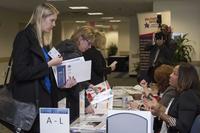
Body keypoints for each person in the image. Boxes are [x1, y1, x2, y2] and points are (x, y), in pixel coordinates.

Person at [10, 3, 76, 132]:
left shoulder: (42, 42)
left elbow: (46, 75)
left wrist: (62, 85)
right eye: (52, 20)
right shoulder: (23, 37)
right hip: (30, 105)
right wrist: (49, 64)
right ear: (41, 18)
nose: (54, 24)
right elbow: (20, 72)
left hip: (45, 100)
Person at [144, 62, 200, 133]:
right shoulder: (182, 93)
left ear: (183, 78)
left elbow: (182, 126)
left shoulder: (188, 96)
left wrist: (160, 114)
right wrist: (158, 106)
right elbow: (176, 113)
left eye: (174, 74)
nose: (170, 75)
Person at [55, 26, 96, 123]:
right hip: (65, 99)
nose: (90, 47)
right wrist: (87, 105)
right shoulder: (72, 53)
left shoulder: (65, 47)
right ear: (81, 39)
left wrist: (88, 85)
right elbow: (74, 85)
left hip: (58, 96)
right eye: (89, 43)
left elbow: (75, 78)